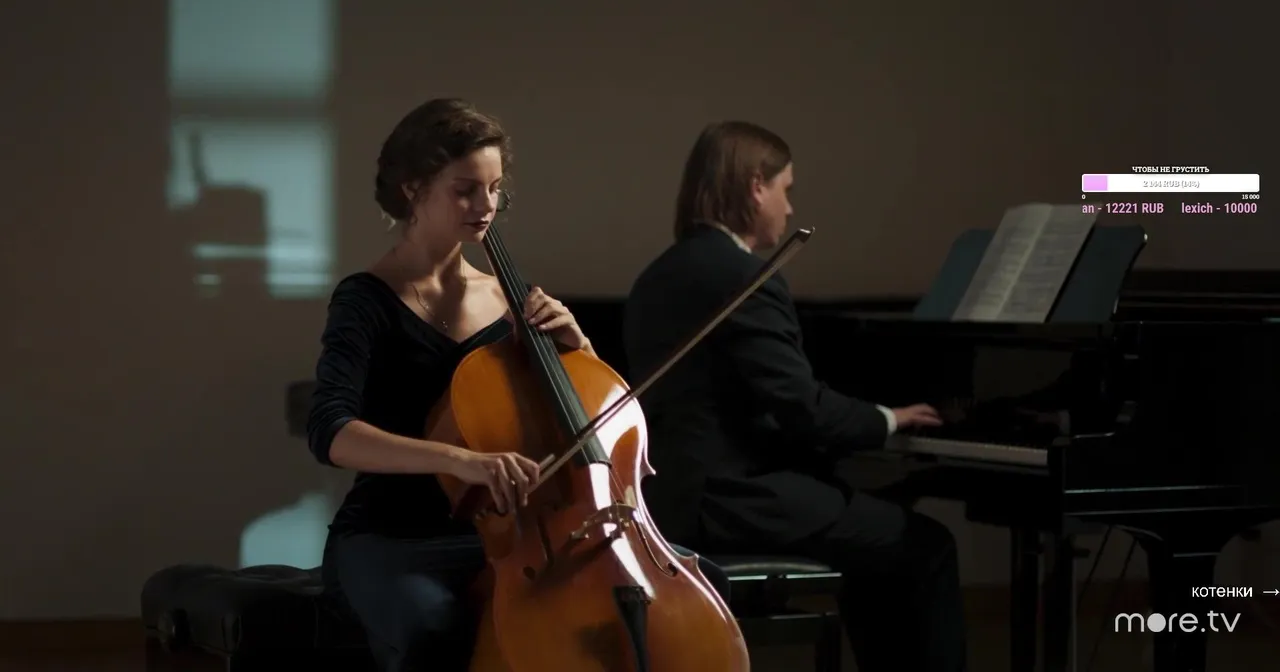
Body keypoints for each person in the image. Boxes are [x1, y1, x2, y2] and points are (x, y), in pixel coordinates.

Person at [306, 98, 731, 671]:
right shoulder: (366, 300)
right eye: (465, 190)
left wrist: (581, 349)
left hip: (517, 537)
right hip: (395, 537)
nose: (486, 207)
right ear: (412, 189)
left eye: (495, 189)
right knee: (432, 628)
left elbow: (585, 424)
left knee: (697, 583)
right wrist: (460, 460)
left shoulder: (510, 299)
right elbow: (331, 431)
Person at [622, 121, 967, 672]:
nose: (789, 208)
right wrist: (888, 419)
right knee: (925, 544)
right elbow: (803, 408)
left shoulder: (657, 275)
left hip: (669, 496)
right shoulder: (744, 276)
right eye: (786, 188)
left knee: (872, 538)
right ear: (756, 186)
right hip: (732, 498)